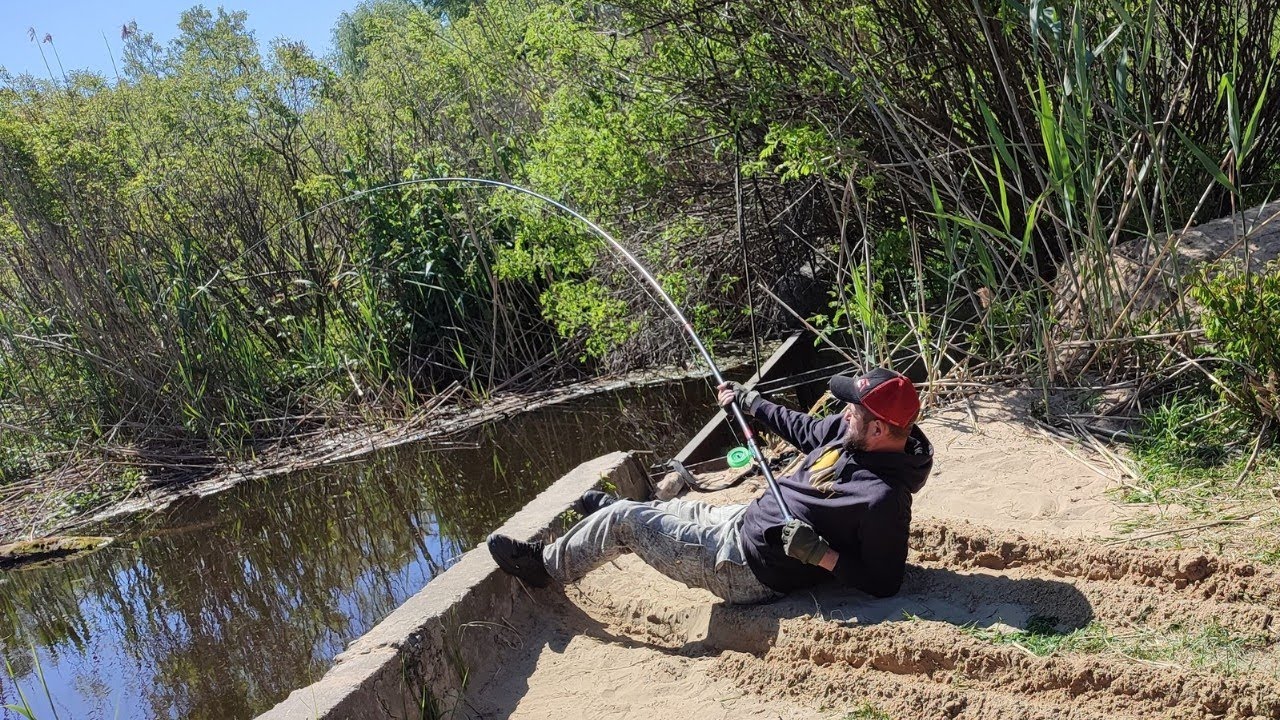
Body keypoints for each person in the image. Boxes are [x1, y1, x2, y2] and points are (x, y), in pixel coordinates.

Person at [486, 367, 933, 603]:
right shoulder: (854, 432)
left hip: (743, 567)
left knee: (626, 522)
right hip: (744, 518)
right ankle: (611, 515)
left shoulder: (883, 500)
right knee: (675, 512)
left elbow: (885, 581)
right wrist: (751, 403)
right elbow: (803, 428)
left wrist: (823, 556)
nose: (845, 412)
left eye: (854, 410)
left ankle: (544, 568)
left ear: (878, 431)